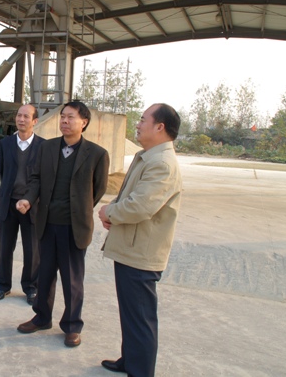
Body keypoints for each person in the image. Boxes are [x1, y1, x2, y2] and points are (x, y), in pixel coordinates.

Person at [98, 103, 182, 377]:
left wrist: (109, 212)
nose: (138, 123)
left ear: (160, 127)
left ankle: (141, 371)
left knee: (141, 318)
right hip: (131, 248)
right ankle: (130, 361)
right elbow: (129, 196)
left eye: (143, 119)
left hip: (142, 253)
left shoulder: (162, 164)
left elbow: (140, 206)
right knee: (131, 314)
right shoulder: (148, 157)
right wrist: (114, 213)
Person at [16, 101, 109, 348]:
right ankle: (42, 317)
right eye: (63, 117)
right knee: (44, 275)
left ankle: (72, 325)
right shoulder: (47, 148)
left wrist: (78, 209)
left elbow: (98, 190)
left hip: (74, 228)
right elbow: (36, 179)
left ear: (84, 122)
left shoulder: (97, 154)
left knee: (72, 280)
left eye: (71, 117)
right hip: (47, 224)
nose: (65, 121)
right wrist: (28, 199)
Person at [0, 104, 44, 305]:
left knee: (32, 250)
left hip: (32, 206)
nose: (21, 119)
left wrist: (30, 198)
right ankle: (2, 286)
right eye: (19, 116)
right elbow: (2, 170)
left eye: (26, 116)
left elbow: (43, 178)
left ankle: (31, 288)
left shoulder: (43, 146)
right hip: (8, 204)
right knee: (5, 248)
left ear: (34, 121)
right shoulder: (5, 144)